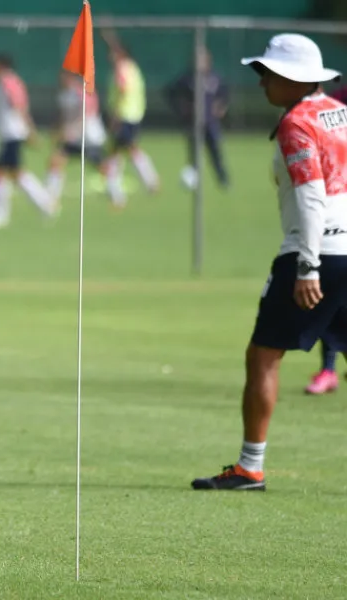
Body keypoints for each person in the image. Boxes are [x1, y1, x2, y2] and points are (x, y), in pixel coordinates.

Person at [192, 33, 347, 491]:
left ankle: (249, 467)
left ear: (293, 79)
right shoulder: (339, 112)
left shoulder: (297, 123)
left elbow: (311, 194)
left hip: (318, 251)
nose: (262, 83)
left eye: (269, 74)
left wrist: (307, 266)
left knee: (263, 356)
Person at [0, 54, 55, 229]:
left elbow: (19, 106)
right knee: (14, 174)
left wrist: (30, 130)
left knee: (1, 173)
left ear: (0, 65)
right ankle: (45, 204)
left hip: (13, 133)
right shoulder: (3, 82)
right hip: (9, 133)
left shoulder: (8, 82)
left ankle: (2, 214)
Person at [101, 33, 159, 207]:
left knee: (122, 152)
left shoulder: (122, 68)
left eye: (113, 53)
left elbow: (123, 89)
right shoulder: (131, 66)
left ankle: (123, 192)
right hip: (133, 114)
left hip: (124, 115)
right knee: (120, 151)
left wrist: (115, 116)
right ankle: (121, 190)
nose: (109, 56)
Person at [165, 47, 230, 191]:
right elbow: (171, 93)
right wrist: (181, 108)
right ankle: (193, 181)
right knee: (194, 155)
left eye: (203, 59)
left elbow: (225, 94)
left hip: (211, 123)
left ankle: (223, 180)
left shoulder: (215, 77)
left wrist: (221, 107)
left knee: (215, 153)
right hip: (194, 124)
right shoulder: (187, 79)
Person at [43, 70, 108, 208]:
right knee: (55, 161)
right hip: (72, 138)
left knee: (101, 166)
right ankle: (51, 198)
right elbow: (63, 116)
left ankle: (116, 195)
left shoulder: (82, 92)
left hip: (89, 137)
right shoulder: (63, 95)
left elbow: (88, 114)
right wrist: (56, 129)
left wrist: (71, 130)